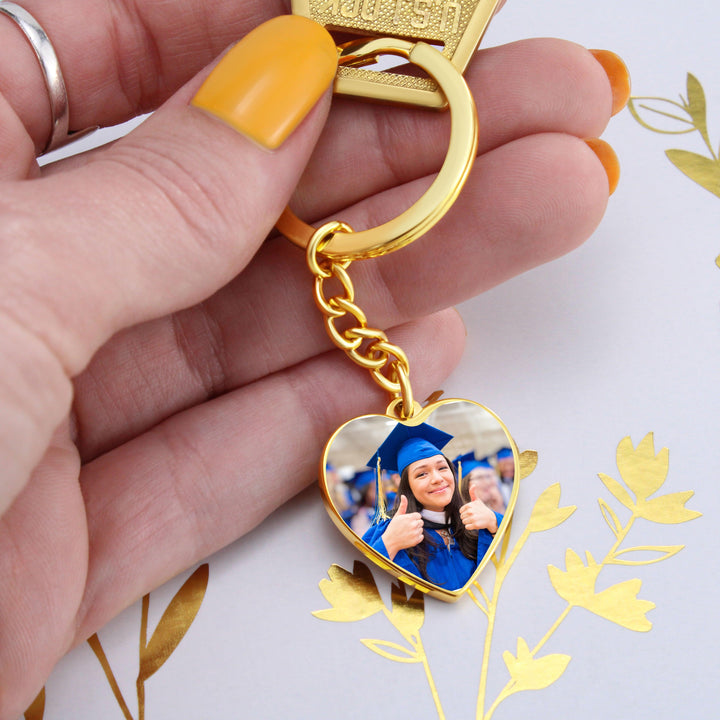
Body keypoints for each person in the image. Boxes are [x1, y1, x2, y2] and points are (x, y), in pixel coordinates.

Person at [0, 1, 630, 714]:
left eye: (435, 468)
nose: (432, 476)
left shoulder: (474, 511)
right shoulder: (396, 525)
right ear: (401, 481)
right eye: (422, 470)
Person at [362, 423, 503, 590]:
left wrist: (496, 523)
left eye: (442, 468)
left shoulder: (476, 520)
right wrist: (389, 544)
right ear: (407, 486)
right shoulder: (390, 530)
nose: (437, 478)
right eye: (422, 474)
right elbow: (360, 588)